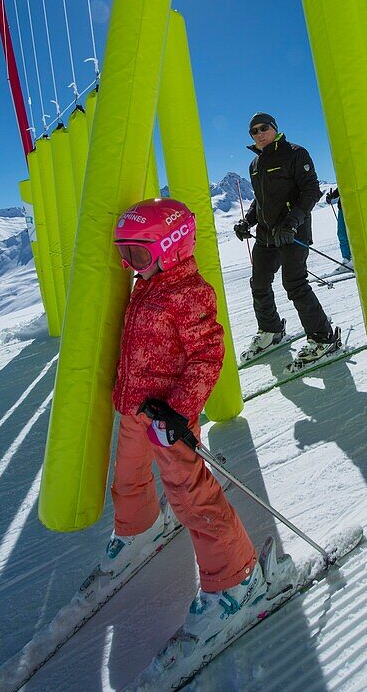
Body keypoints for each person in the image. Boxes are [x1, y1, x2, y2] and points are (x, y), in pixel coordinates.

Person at [104, 197, 265, 641]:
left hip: (169, 417)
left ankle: (236, 576)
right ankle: (138, 528)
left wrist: (180, 408)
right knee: (128, 476)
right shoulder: (147, 284)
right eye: (125, 254)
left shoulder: (190, 293)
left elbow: (208, 354)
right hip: (136, 406)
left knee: (191, 495)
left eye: (136, 254)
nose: (130, 265)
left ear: (172, 245)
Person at [234, 112, 340, 365]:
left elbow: (311, 191)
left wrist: (292, 222)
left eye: (263, 128)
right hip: (266, 237)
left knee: (294, 284)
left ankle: (323, 338)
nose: (259, 134)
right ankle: (271, 330)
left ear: (274, 128)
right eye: (254, 131)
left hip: (293, 234)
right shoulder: (255, 164)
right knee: (259, 284)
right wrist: (248, 221)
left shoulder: (295, 153)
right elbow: (260, 201)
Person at [325, 186, 354, 270]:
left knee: (354, 233)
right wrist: (332, 195)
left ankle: (355, 257)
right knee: (342, 233)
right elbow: (341, 187)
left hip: (355, 206)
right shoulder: (346, 175)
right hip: (342, 207)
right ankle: (347, 259)